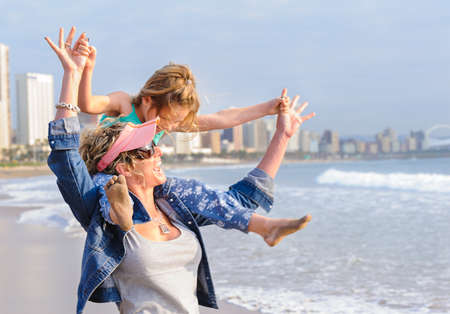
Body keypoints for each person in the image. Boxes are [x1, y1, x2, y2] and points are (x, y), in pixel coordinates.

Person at [45, 28, 315, 314]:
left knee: (201, 195)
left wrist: (281, 133)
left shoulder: (172, 207)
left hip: (141, 190)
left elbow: (235, 201)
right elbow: (69, 148)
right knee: (106, 195)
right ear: (149, 100)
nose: (159, 146)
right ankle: (118, 214)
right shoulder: (123, 110)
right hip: (108, 181)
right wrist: (77, 72)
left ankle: (263, 226)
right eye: (147, 149)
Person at [65, 25, 291, 141]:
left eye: (176, 122)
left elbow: (222, 118)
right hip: (104, 180)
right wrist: (87, 69)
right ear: (147, 99)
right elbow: (87, 105)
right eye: (168, 119)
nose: (171, 127)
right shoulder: (124, 104)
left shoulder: (166, 125)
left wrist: (267, 109)